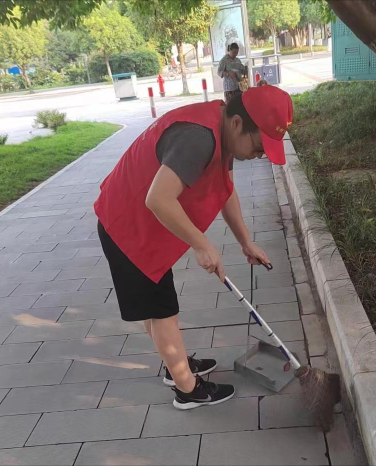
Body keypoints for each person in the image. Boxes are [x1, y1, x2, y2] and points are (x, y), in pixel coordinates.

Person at [94, 86, 293, 410]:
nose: (259, 155)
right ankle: (187, 389)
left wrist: (246, 242)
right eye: (259, 147)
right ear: (238, 124)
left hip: (145, 225)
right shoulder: (198, 138)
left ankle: (177, 365)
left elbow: (225, 190)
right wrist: (202, 245)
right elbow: (158, 199)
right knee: (162, 310)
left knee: (158, 308)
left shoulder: (224, 130)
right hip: (127, 228)